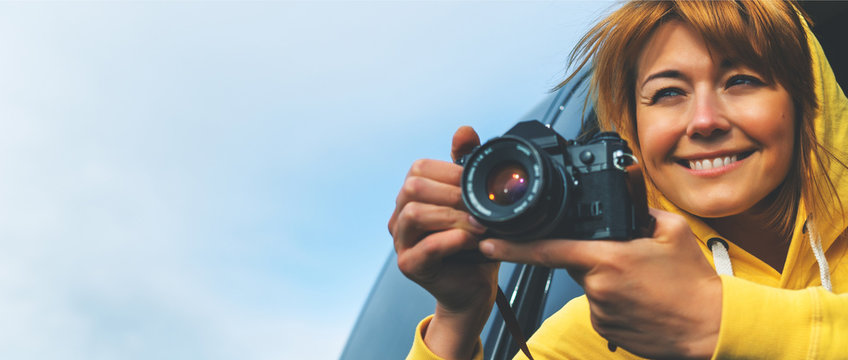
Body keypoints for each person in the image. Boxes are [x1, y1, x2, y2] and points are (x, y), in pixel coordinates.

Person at [388, 1, 848, 359]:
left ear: (809, 104)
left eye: (743, 80)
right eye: (668, 92)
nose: (704, 120)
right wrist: (456, 321)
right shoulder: (597, 332)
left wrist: (718, 320)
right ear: (631, 131)